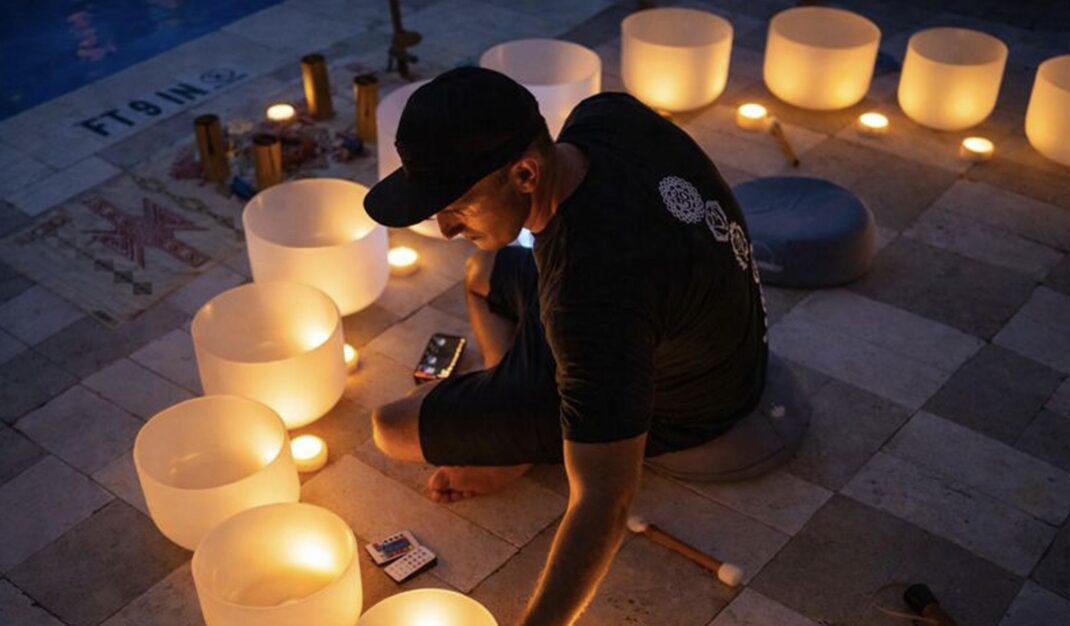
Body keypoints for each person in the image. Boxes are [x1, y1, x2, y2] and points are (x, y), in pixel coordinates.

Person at [364, 67, 807, 626]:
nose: (445, 227)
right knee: (482, 272)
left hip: (688, 398)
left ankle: (518, 429)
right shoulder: (606, 116)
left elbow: (606, 500)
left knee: (392, 428)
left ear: (525, 172)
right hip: (691, 329)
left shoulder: (591, 297)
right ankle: (513, 403)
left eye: (454, 206)